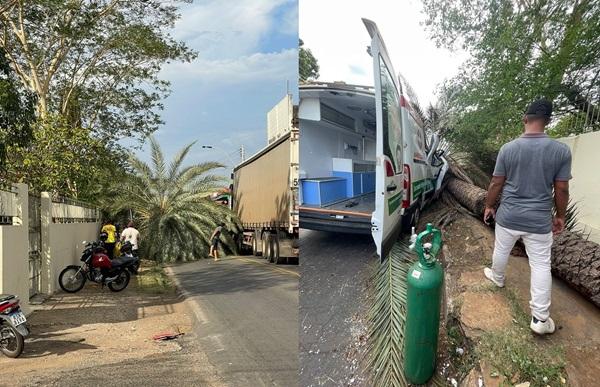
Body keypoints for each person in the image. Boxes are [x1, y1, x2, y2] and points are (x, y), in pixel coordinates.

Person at [483, 99, 571, 335]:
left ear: (525, 119)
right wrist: (560, 216)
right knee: (541, 264)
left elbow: (496, 182)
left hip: (508, 216)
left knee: (501, 249)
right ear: (548, 121)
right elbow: (561, 189)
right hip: (539, 221)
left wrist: (489, 206)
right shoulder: (561, 151)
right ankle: (541, 319)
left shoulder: (508, 149)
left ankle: (498, 277)